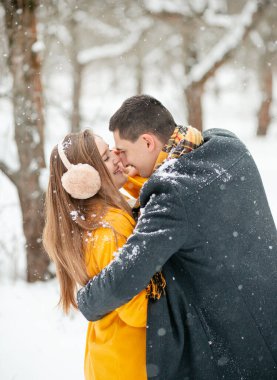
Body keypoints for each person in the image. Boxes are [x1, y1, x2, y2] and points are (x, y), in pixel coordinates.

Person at [77, 95, 277, 380]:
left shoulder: (172, 199)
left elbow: (124, 278)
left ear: (147, 142)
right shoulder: (228, 146)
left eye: (122, 150)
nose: (121, 160)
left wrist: (85, 300)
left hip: (239, 343)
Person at [43, 129, 149, 380]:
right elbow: (139, 310)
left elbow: (159, 197)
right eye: (105, 157)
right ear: (85, 179)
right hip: (129, 366)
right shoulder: (108, 230)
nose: (116, 156)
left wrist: (129, 178)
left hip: (111, 359)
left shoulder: (97, 218)